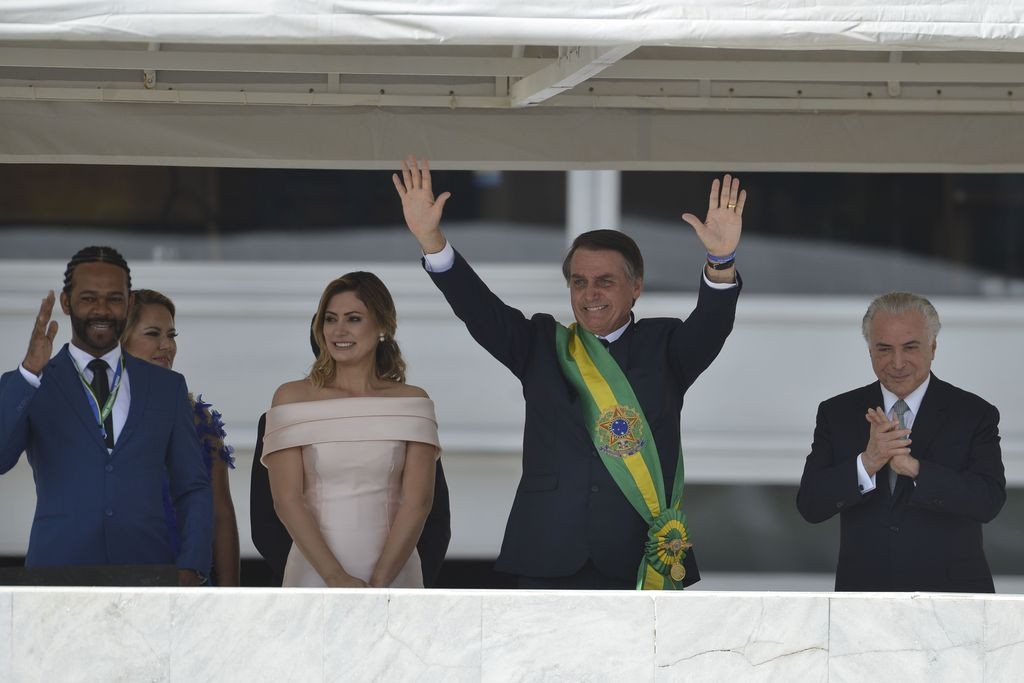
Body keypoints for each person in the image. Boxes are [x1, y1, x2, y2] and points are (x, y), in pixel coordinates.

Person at [392, 156, 745, 590]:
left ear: (636, 286)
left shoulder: (665, 348)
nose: (590, 294)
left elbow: (713, 323)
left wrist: (721, 259)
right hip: (546, 552)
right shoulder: (541, 345)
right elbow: (478, 310)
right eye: (579, 282)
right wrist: (432, 240)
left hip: (637, 558)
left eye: (605, 281)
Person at [0, 246, 212, 586]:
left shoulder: (167, 387)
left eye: (114, 299)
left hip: (150, 575)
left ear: (128, 304)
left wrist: (192, 567)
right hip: (55, 575)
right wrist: (29, 373)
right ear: (67, 303)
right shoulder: (30, 382)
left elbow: (193, 487)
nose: (102, 309)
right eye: (88, 298)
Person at [796, 292, 1006, 592]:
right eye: (884, 349)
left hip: (954, 600)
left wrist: (916, 469)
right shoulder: (837, 413)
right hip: (864, 601)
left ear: (933, 347)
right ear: (869, 350)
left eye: (910, 347)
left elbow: (988, 502)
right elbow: (810, 505)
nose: (897, 362)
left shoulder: (974, 414)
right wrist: (867, 463)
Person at [262, 272, 440, 587]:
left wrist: (380, 581)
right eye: (330, 319)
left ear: (383, 327)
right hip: (314, 574)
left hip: (394, 574)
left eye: (353, 318)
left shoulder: (413, 401)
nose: (339, 330)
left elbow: (418, 502)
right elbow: (286, 500)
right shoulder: (290, 398)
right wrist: (336, 578)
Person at [121, 289, 241, 586]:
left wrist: (231, 600)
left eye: (171, 335)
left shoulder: (198, 418)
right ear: (120, 340)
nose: (167, 346)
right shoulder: (94, 411)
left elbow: (221, 514)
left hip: (183, 582)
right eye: (153, 334)